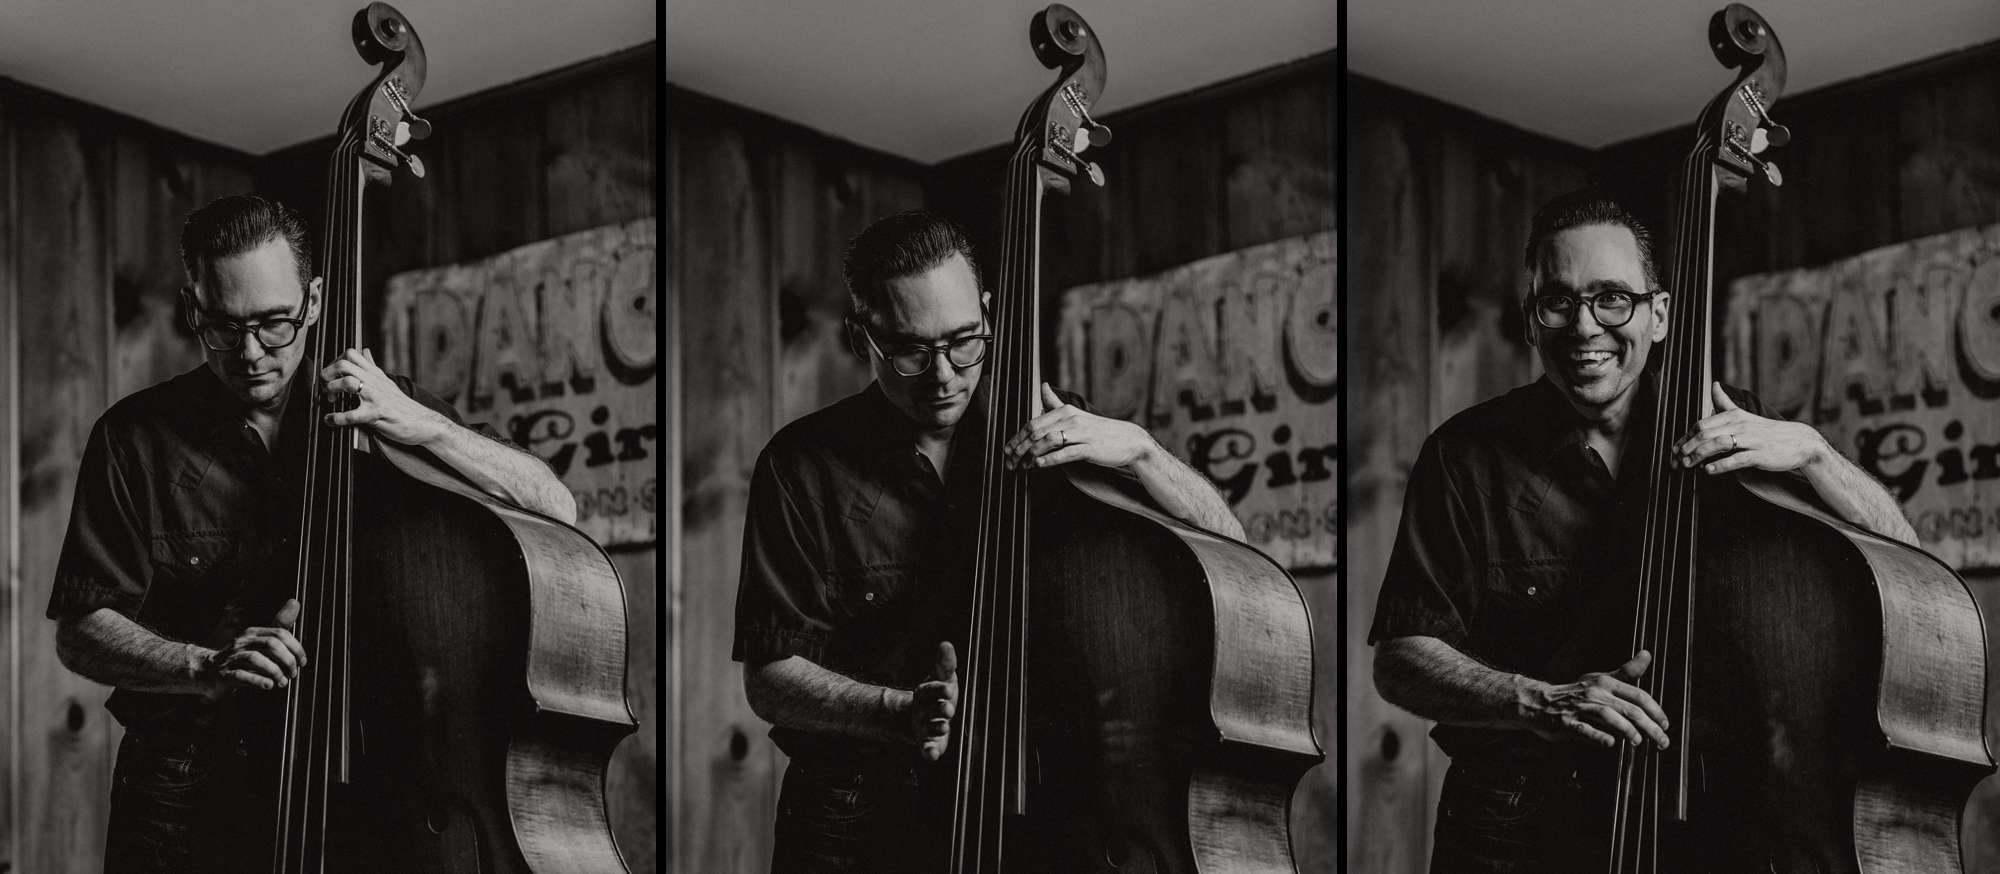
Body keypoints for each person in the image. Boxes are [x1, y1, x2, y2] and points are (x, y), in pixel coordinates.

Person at [1366, 189, 1917, 872]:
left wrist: (1817, 456)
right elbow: (1400, 659)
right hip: (1513, 829)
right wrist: (1538, 700)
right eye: (1558, 302)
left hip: (1717, 823)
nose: (1585, 326)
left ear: (1659, 316)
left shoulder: (1737, 431)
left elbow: (1905, 564)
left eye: (1612, 299)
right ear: (1532, 322)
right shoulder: (1465, 456)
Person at [45, 194, 576, 873]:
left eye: (274, 324)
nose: (249, 353)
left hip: (371, 784)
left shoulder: (386, 407)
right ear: (192, 307)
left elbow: (556, 508)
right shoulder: (132, 440)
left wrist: (430, 428)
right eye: (221, 327)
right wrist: (200, 665)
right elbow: (82, 628)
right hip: (183, 788)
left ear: (316, 300)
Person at [731, 209, 1243, 873]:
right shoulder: (801, 466)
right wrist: (897, 711)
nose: (944, 374)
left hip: (1046, 816)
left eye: (963, 341)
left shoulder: (1067, 434)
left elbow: (1234, 557)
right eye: (911, 350)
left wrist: (1144, 454)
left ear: (991, 313)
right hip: (854, 826)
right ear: (863, 337)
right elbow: (771, 678)